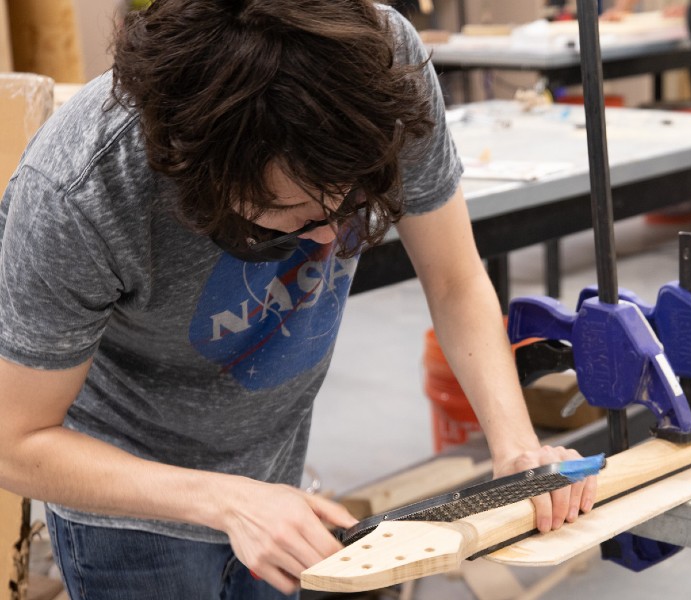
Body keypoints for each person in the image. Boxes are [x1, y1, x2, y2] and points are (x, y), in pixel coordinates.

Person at [0, 1, 596, 598]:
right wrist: (229, 501)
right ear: (203, 170)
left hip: (279, 482)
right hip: (131, 513)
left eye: (349, 202)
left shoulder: (379, 74)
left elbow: (455, 278)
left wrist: (518, 450)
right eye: (296, 215)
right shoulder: (76, 192)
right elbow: (14, 443)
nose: (333, 238)